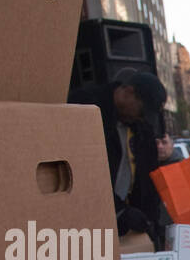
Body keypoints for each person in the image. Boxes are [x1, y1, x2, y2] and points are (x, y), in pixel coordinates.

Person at [69, 67, 172, 247]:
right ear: (128, 92)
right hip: (86, 222)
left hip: (126, 224)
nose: (141, 117)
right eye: (141, 111)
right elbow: (81, 172)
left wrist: (151, 225)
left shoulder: (141, 127)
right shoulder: (85, 108)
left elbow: (148, 182)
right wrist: (119, 210)